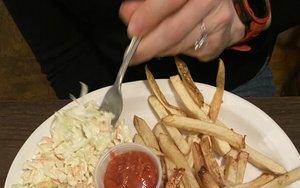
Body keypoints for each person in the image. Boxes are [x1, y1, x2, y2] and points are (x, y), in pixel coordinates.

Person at [4, 0, 300, 98]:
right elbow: (63, 54)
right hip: (114, 86)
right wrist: (97, 118)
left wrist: (251, 9)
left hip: (235, 80)